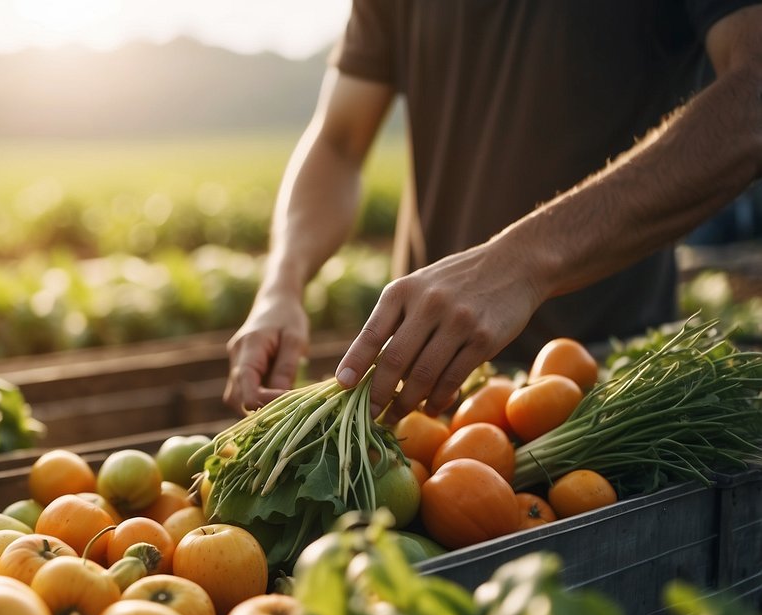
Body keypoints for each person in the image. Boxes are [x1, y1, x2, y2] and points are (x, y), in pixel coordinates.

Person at [224, 1, 762, 425]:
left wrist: (523, 262)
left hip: (611, 391)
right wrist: (283, 282)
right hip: (427, 388)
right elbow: (339, 141)